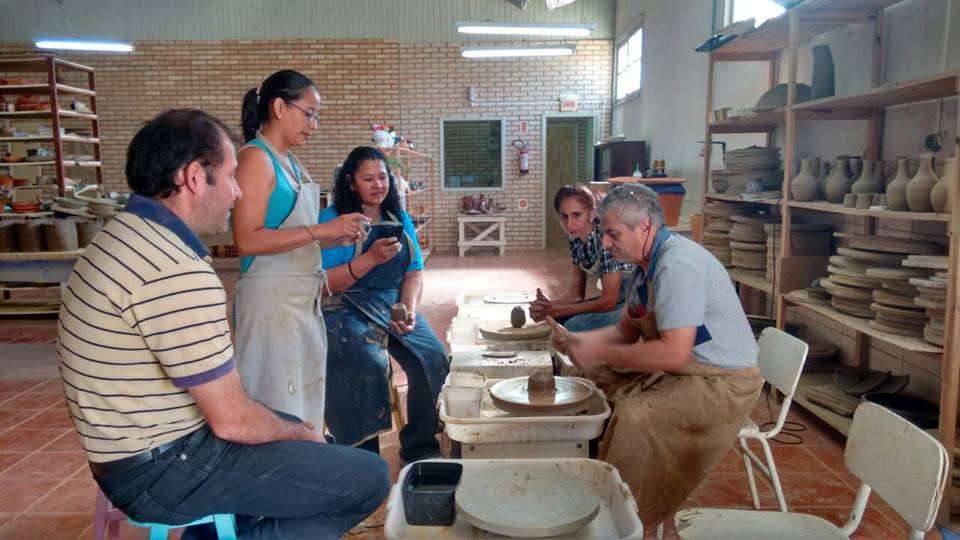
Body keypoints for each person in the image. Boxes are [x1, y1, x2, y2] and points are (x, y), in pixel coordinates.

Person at [58, 109, 388, 539]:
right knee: (368, 478)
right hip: (159, 470)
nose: (236, 193)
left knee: (286, 426)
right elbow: (232, 421)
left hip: (125, 453)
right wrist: (300, 434)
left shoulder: (122, 234)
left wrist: (289, 429)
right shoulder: (174, 269)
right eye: (231, 177)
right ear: (195, 177)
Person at [547, 183, 762, 530]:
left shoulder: (678, 266)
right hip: (687, 369)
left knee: (634, 415)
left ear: (644, 227)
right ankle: (591, 478)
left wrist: (600, 351)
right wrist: (578, 341)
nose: (604, 242)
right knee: (593, 383)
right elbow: (624, 332)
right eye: (603, 233)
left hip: (721, 383)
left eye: (612, 233)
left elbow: (673, 353)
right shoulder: (646, 262)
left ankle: (625, 520)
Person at [232, 69, 368, 431]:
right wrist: (320, 229)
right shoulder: (254, 159)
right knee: (275, 405)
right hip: (269, 304)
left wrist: (330, 238)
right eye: (308, 113)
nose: (314, 125)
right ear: (278, 107)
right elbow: (246, 240)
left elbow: (288, 232)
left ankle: (304, 475)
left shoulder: (291, 163)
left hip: (297, 301)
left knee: (303, 403)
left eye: (317, 116)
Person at [320, 146, 449, 462]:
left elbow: (414, 272)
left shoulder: (399, 218)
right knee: (365, 363)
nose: (378, 185)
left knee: (432, 357)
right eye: (369, 179)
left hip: (391, 301)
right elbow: (326, 284)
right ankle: (362, 455)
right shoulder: (332, 221)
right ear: (351, 183)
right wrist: (368, 259)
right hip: (344, 304)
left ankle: (420, 446)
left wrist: (408, 308)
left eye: (383, 177)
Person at [530, 184, 634, 331]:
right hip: (617, 300)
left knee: (573, 326)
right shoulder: (576, 239)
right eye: (564, 216)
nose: (569, 224)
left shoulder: (606, 236)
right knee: (557, 320)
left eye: (576, 215)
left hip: (638, 303)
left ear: (592, 213)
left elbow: (608, 302)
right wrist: (547, 307)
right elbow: (575, 295)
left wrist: (557, 310)